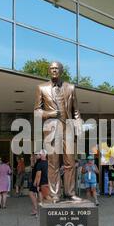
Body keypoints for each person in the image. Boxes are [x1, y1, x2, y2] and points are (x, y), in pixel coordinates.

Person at [34, 61, 83, 203]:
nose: (54, 70)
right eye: (52, 68)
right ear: (49, 71)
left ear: (61, 70)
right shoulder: (41, 88)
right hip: (51, 130)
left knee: (70, 163)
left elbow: (76, 111)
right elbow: (37, 111)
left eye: (56, 68)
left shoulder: (70, 88)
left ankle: (70, 193)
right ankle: (55, 194)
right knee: (53, 163)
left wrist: (78, 122)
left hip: (68, 129)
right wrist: (49, 114)